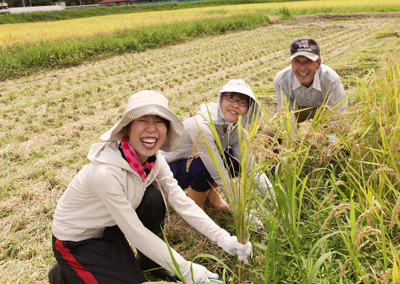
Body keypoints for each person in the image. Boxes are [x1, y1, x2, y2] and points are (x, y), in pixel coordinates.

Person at [48, 91, 252, 284]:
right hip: (76, 239)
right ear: (127, 128)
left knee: (153, 198)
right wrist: (185, 268)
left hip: (108, 226)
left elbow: (180, 201)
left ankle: (149, 263)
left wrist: (222, 238)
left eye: (159, 122)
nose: (152, 128)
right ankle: (64, 273)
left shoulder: (155, 160)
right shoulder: (105, 174)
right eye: (142, 120)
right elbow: (135, 231)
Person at [162, 79, 273, 211]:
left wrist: (276, 201)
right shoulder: (202, 128)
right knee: (204, 165)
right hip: (167, 172)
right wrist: (241, 212)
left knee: (234, 160)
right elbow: (218, 173)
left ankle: (213, 198)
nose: (236, 105)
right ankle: (195, 209)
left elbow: (250, 167)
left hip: (191, 164)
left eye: (242, 102)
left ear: (248, 109)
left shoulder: (235, 130)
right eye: (231, 98)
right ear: (221, 99)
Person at [267, 38, 348, 156]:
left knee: (344, 137)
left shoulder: (331, 79)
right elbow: (287, 116)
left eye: (309, 61)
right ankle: (273, 168)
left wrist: (333, 145)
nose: (302, 67)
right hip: (296, 110)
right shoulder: (281, 80)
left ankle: (338, 165)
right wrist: (293, 143)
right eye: (297, 61)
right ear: (291, 63)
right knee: (269, 131)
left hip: (325, 110)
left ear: (318, 64)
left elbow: (338, 116)